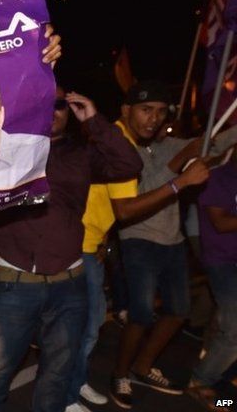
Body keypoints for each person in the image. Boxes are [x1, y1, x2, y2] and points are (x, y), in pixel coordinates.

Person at [0, 87, 143, 412]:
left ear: (70, 110)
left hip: (70, 285)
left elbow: (129, 164)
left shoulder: (82, 154)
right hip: (15, 285)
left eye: (60, 105)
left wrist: (93, 120)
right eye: (42, 103)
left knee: (56, 378)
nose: (52, 111)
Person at [110, 81, 237, 410]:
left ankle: (142, 366)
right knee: (140, 315)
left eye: (160, 111)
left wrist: (206, 145)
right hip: (137, 239)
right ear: (126, 112)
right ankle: (120, 374)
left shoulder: (166, 146)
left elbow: (214, 143)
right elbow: (140, 196)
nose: (153, 119)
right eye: (146, 110)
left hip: (173, 241)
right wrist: (183, 166)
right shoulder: (119, 147)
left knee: (179, 311)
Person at [186, 150, 237, 412]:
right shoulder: (219, 177)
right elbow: (221, 223)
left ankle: (219, 387)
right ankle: (202, 382)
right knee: (234, 326)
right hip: (223, 261)